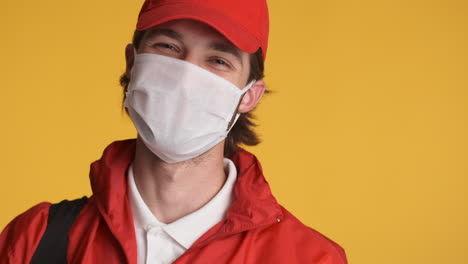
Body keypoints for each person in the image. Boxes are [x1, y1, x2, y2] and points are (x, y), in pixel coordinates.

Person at [0, 0, 348, 263]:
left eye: (218, 60)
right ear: (132, 64)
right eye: (167, 47)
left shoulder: (308, 257)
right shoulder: (35, 240)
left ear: (249, 96)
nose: (185, 77)